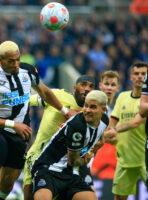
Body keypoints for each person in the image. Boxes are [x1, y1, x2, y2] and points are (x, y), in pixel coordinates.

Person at [0, 41, 75, 200]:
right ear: (0, 60)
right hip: (0, 134)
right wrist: (13, 124)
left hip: (21, 136)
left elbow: (45, 93)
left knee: (7, 185)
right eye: (11, 61)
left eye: (18, 59)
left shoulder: (28, 70)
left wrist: (65, 111)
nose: (16, 64)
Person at [23, 75, 95, 200]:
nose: (87, 89)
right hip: (38, 155)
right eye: (83, 85)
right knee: (29, 196)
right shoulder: (57, 95)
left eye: (91, 86)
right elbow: (26, 100)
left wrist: (88, 152)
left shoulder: (91, 112)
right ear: (74, 88)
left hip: (65, 162)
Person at [31, 90, 109, 200]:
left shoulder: (105, 121)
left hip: (71, 173)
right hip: (48, 169)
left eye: (92, 107)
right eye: (86, 106)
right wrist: (85, 159)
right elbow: (72, 161)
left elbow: (100, 140)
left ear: (103, 110)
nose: (87, 110)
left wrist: (90, 151)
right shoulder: (77, 125)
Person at [105, 62, 147, 200]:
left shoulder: (146, 102)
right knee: (119, 198)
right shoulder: (122, 96)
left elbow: (136, 122)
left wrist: (114, 130)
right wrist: (110, 133)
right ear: (131, 77)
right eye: (137, 73)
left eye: (144, 74)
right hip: (125, 160)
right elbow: (113, 121)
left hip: (145, 159)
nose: (140, 76)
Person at [91, 71, 121, 180]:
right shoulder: (92, 107)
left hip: (102, 162)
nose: (109, 88)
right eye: (106, 84)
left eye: (113, 85)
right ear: (100, 86)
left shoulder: (114, 111)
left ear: (118, 88)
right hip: (88, 158)